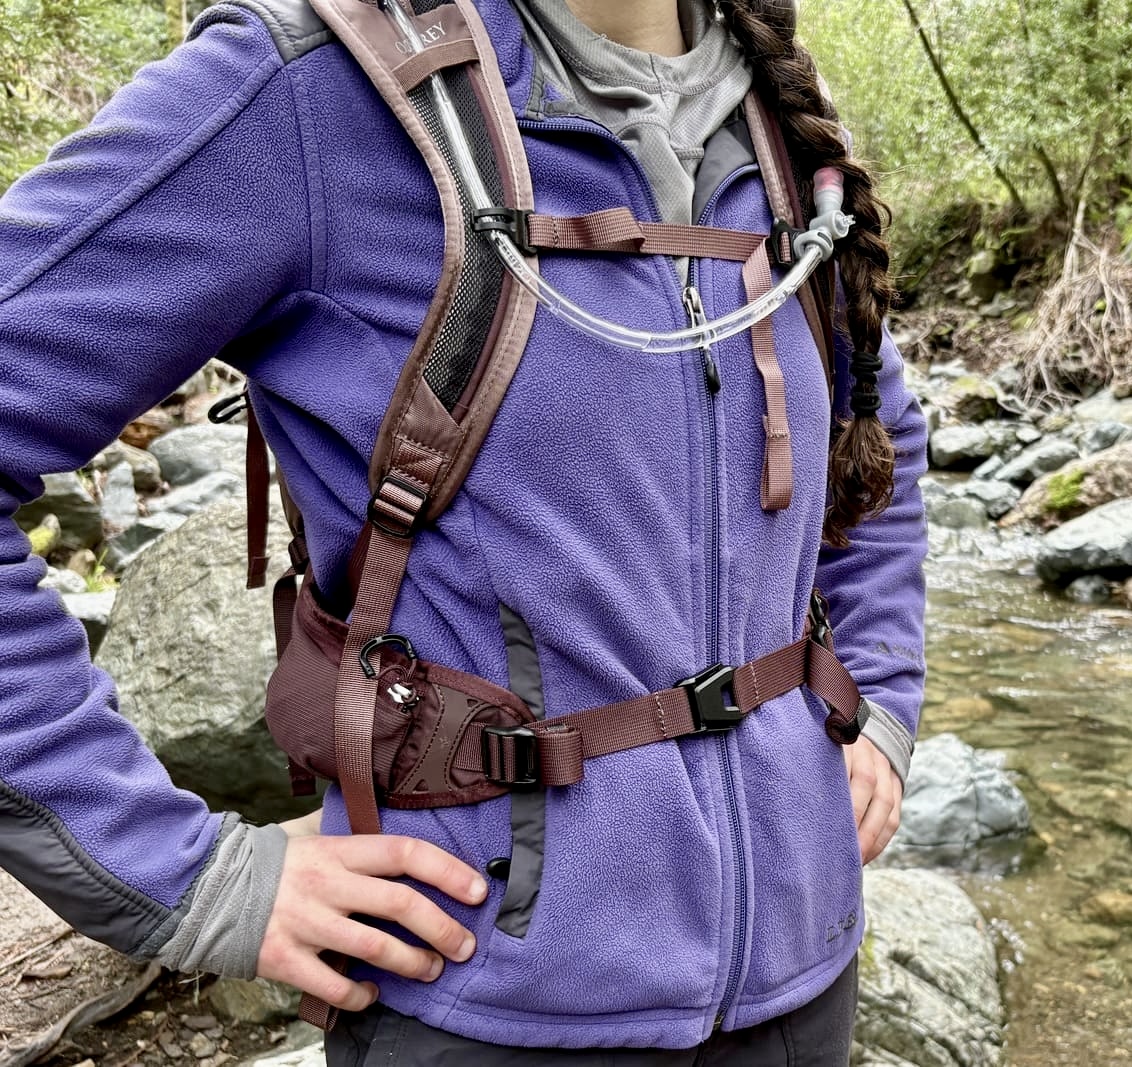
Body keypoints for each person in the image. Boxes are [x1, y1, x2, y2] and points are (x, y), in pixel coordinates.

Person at [0, 0, 928, 1062]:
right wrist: (184, 877)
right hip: (484, 999)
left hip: (803, 980)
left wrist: (882, 705)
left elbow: (877, 439)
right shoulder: (311, 94)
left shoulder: (780, 134)